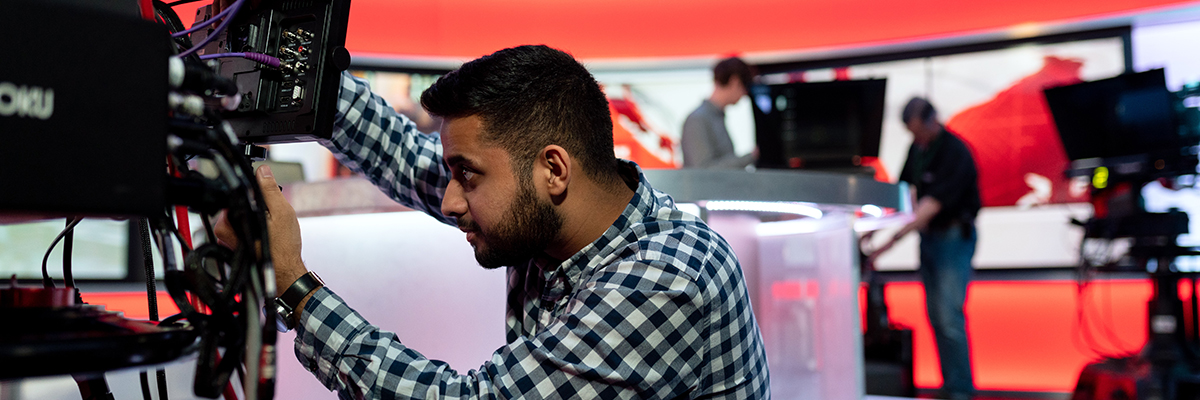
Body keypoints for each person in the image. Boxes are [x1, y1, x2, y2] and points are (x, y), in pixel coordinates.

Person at [219, 45, 770, 399]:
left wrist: (293, 283)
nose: (451, 200)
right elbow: (406, 159)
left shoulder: (667, 277)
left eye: (468, 174)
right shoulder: (553, 220)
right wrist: (300, 76)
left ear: (553, 169)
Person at [871, 97, 981, 400]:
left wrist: (889, 242)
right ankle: (950, 386)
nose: (915, 138)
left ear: (933, 120)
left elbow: (929, 207)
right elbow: (904, 194)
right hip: (930, 239)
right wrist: (872, 228)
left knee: (949, 317)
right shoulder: (918, 150)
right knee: (936, 316)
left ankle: (961, 391)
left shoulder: (954, 151)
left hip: (952, 238)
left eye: (918, 131)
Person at [681, 57, 756, 168]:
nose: (745, 94)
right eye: (745, 87)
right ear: (735, 82)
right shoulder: (697, 119)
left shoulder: (715, 117)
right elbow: (704, 169)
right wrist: (751, 157)